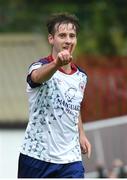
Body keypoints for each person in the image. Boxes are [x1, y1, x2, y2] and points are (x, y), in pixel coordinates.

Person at [18, 12, 91, 178]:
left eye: (72, 36)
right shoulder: (39, 67)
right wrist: (56, 64)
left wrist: (81, 134)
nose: (68, 40)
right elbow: (36, 77)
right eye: (62, 35)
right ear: (51, 39)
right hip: (36, 158)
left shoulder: (81, 76)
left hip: (71, 160)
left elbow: (74, 105)